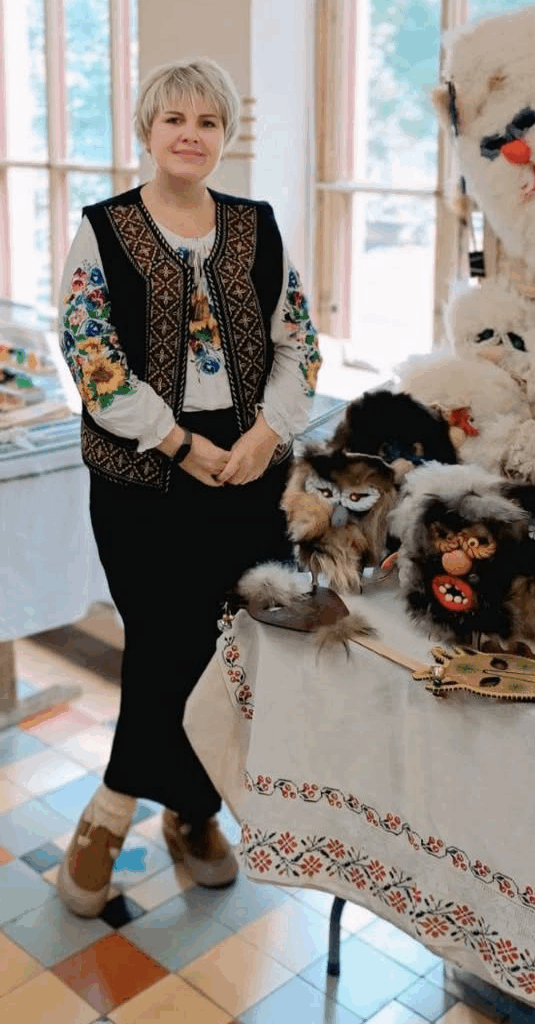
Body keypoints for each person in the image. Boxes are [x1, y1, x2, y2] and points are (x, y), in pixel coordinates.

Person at [55, 57, 321, 917]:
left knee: (225, 649)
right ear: (146, 129)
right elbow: (91, 356)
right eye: (173, 119)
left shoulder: (258, 226)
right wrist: (176, 441)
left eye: (207, 121)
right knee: (165, 640)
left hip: (247, 476)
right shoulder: (103, 229)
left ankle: (190, 808)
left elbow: (299, 342)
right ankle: (117, 809)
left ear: (225, 135)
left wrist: (266, 433)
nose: (189, 135)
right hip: (142, 481)